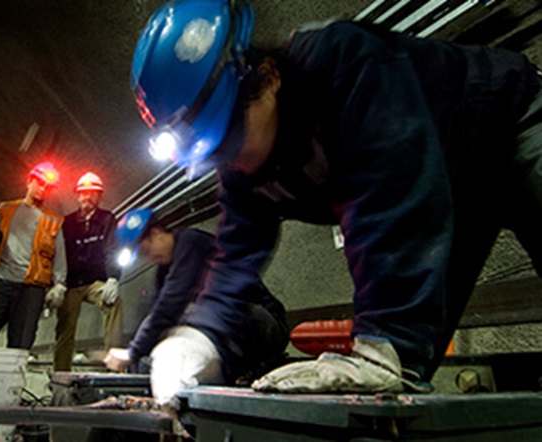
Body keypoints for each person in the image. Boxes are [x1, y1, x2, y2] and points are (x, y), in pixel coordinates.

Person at [130, 0, 542, 404]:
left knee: (393, 343)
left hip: (508, 120)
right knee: (406, 364)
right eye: (216, 153)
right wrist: (202, 335)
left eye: (234, 137)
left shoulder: (345, 63)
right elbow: (236, 253)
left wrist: (385, 342)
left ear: (269, 76)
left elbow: (394, 192)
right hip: (447, 188)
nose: (233, 161)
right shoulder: (239, 167)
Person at [104, 208, 290, 383]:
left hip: (263, 321)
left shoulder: (190, 243)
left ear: (156, 233)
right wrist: (136, 353)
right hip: (230, 325)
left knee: (204, 319)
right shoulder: (164, 271)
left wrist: (134, 352)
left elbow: (170, 305)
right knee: (181, 327)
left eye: (146, 251)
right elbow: (156, 313)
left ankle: (226, 372)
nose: (150, 258)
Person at [0, 162, 67, 350]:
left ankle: (12, 379)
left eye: (48, 187)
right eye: (40, 183)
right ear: (29, 181)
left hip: (31, 290)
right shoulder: (5, 210)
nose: (43, 189)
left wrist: (59, 284)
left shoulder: (54, 221)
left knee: (21, 343)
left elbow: (59, 255)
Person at [53, 172, 124, 371]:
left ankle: (114, 367)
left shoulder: (107, 219)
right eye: (83, 193)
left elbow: (112, 248)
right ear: (77, 196)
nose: (87, 197)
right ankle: (60, 374)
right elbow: (58, 254)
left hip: (95, 282)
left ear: (99, 196)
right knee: (65, 327)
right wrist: (56, 283)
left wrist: (113, 278)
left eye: (92, 193)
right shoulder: (67, 223)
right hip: (72, 283)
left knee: (114, 303)